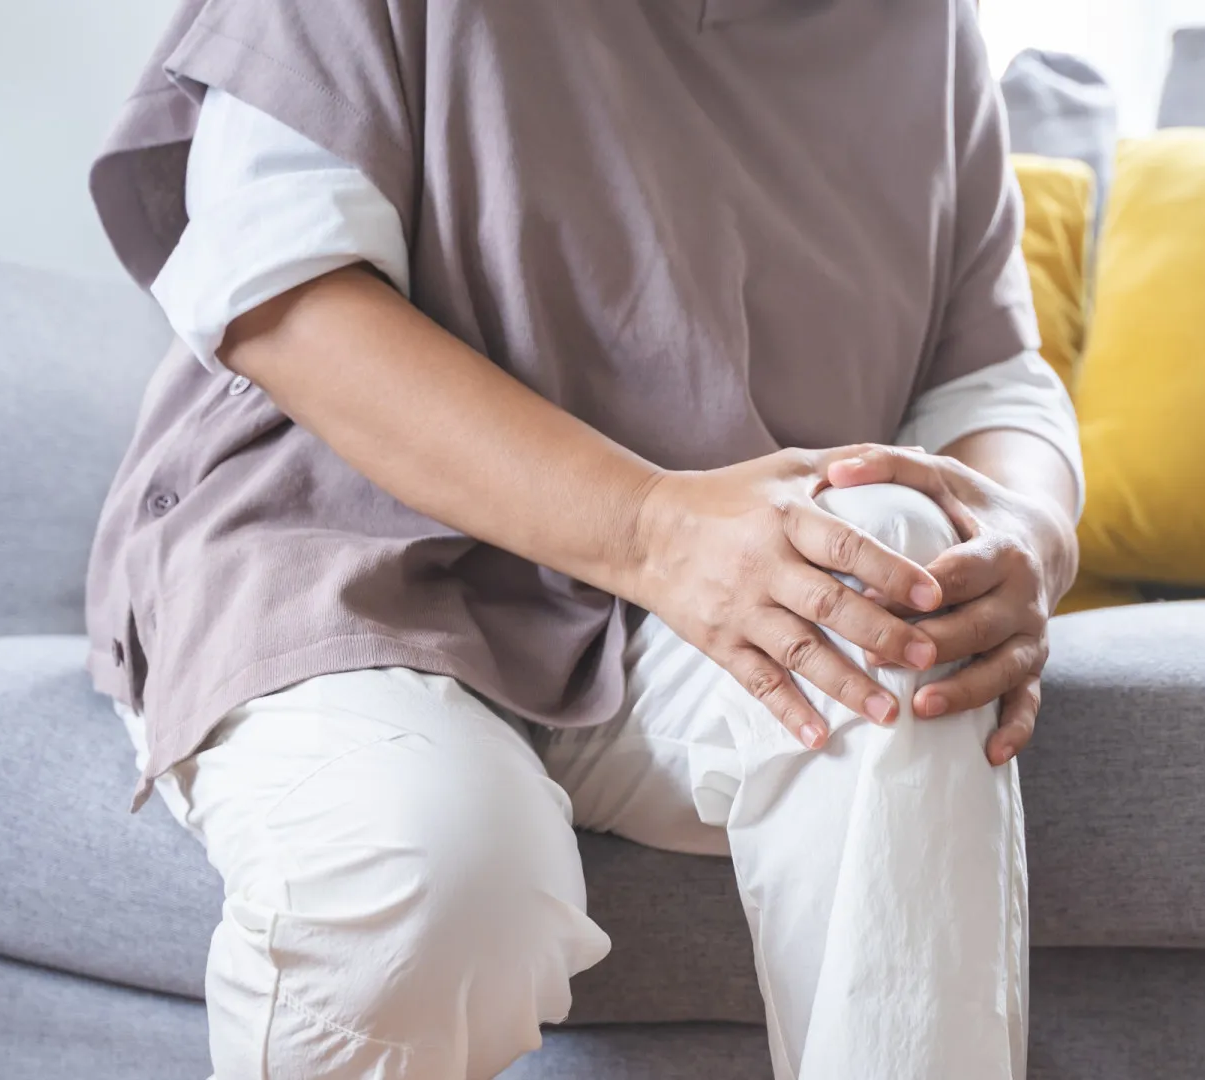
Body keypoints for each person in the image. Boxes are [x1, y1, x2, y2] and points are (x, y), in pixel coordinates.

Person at [86, 2, 1081, 1077]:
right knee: (431, 885)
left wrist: (1021, 535)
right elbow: (283, 290)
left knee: (903, 586)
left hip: (709, 595)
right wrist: (650, 527)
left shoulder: (927, 28)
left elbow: (989, 379)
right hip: (339, 548)